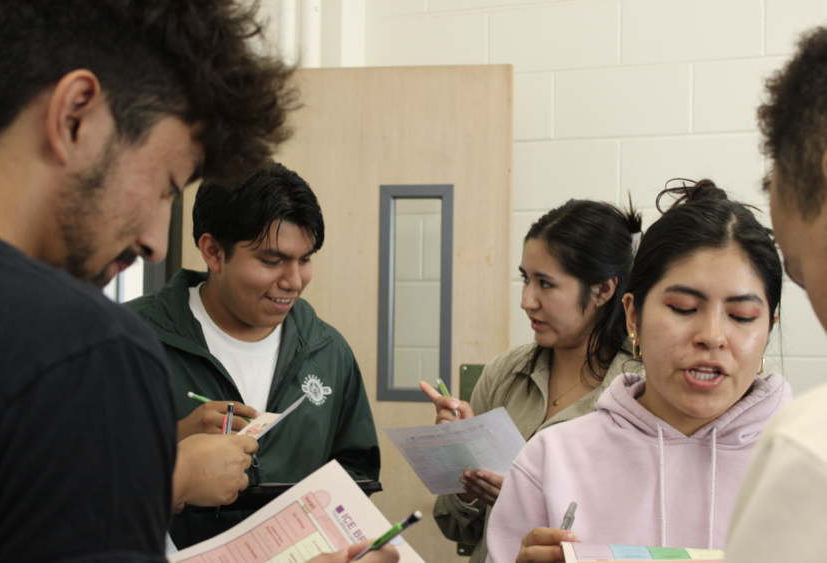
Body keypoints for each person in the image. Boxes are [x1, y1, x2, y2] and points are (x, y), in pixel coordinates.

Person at [0, 2, 394, 563]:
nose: (154, 239)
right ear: (76, 115)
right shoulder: (87, 349)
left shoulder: (328, 351)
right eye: (166, 184)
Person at [486, 181, 792, 563]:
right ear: (633, 315)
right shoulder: (551, 460)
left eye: (741, 316)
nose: (712, 337)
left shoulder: (809, 461)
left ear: (769, 327)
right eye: (683, 308)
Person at [126, 162, 381, 548]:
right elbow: (74, 482)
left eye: (305, 259)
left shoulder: (328, 351)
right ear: (213, 251)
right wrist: (174, 451)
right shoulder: (127, 339)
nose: (294, 282)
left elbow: (357, 470)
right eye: (272, 261)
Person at [419, 199, 644, 563]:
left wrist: (525, 501)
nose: (527, 300)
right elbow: (457, 528)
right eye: (526, 279)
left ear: (603, 291)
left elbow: (636, 531)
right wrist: (460, 461)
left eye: (546, 284)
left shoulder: (638, 391)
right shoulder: (504, 374)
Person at [721, 26, 827, 563]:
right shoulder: (559, 450)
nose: (711, 337)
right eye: (682, 307)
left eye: (803, 273)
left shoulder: (808, 448)